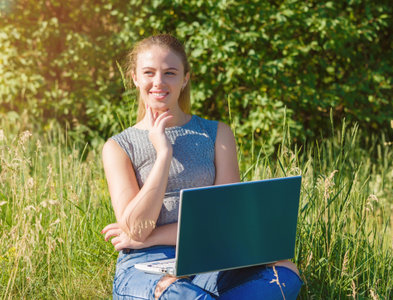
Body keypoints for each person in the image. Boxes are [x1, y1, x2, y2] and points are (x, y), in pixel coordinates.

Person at [101, 34, 303, 299]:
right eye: (149, 73)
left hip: (208, 260)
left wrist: (150, 237)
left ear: (185, 79)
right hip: (144, 268)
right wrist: (163, 154)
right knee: (181, 293)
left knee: (285, 274)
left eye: (170, 73)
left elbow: (223, 224)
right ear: (135, 78)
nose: (158, 82)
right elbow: (137, 227)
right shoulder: (119, 146)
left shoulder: (216, 134)